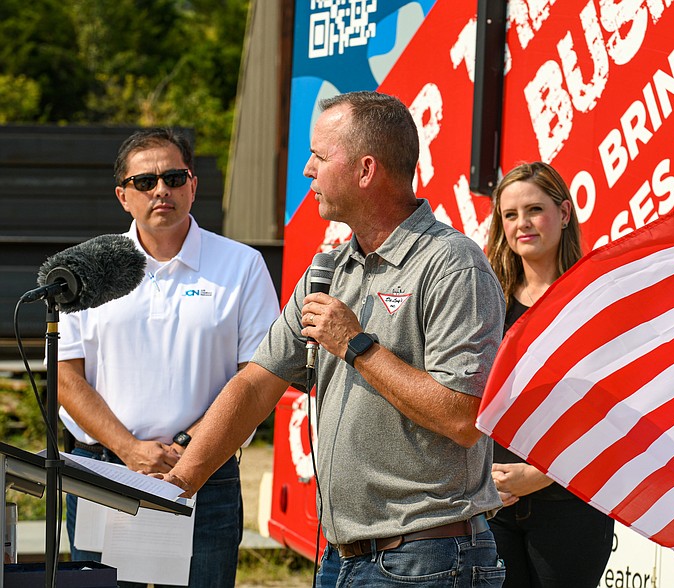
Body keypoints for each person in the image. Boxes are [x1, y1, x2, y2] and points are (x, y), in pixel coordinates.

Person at [156, 91, 507, 587]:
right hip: (341, 560)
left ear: (366, 171)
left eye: (320, 156)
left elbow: (465, 417)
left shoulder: (453, 265)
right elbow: (257, 383)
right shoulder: (331, 269)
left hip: (429, 559)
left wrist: (358, 346)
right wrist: (179, 484)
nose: (306, 170)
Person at [57, 127, 280, 588]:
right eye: (145, 182)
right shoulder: (85, 268)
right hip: (106, 473)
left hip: (206, 474)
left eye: (175, 177)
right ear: (123, 195)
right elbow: (65, 376)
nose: (162, 189)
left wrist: (188, 448)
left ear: (193, 186)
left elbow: (261, 377)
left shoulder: (241, 265)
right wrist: (129, 450)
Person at [485, 161, 614, 588]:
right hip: (495, 506)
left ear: (563, 213)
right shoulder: (488, 301)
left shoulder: (592, 300)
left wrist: (538, 476)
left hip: (571, 506)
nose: (522, 223)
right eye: (510, 214)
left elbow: (609, 411)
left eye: (534, 210)